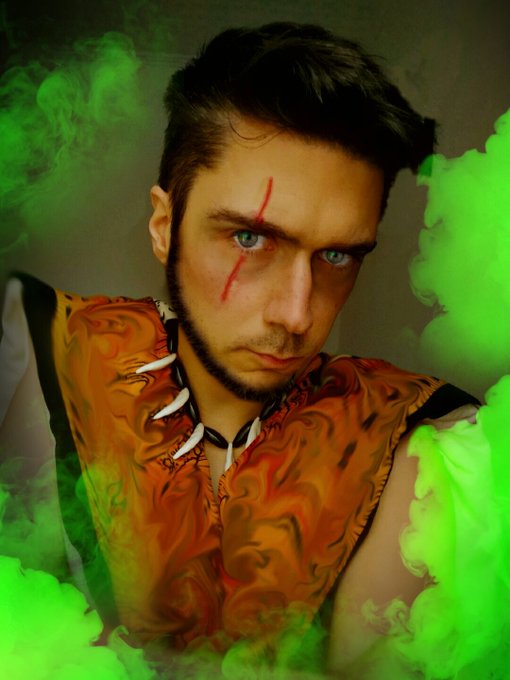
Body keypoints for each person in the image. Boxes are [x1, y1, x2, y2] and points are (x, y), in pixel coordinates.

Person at [0, 22, 478, 677]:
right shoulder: (36, 353)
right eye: (250, 240)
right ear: (164, 226)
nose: (297, 315)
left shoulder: (416, 442)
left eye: (338, 256)